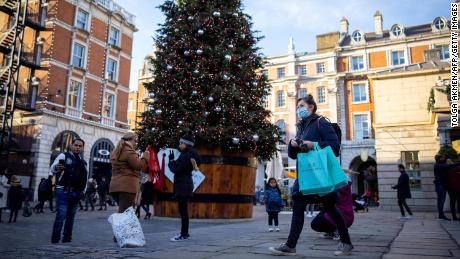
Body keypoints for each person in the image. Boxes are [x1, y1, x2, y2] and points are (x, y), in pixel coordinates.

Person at [270, 95, 353, 256]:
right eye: (297, 106)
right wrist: (293, 145)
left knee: (331, 209)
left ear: (311, 107)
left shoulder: (322, 123)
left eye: (301, 105)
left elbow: (335, 147)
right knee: (298, 207)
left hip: (321, 175)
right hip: (306, 176)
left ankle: (346, 243)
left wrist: (313, 144)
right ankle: (290, 245)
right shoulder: (301, 127)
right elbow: (293, 156)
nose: (298, 109)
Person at [109, 132, 149, 242]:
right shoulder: (128, 151)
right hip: (127, 186)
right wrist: (145, 156)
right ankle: (120, 237)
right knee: (125, 213)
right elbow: (138, 166)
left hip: (116, 186)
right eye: (135, 141)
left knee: (124, 211)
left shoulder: (116, 151)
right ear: (130, 139)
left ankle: (123, 236)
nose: (136, 144)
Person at [49, 138, 88, 243]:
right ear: (71, 145)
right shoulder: (63, 156)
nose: (78, 147)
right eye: (76, 145)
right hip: (63, 191)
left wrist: (83, 191)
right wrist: (57, 167)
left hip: (76, 193)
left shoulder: (84, 162)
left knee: (71, 217)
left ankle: (67, 239)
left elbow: (86, 178)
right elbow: (52, 168)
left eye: (80, 146)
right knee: (61, 215)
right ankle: (55, 239)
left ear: (83, 148)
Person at [168, 134, 201, 242]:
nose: (180, 145)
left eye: (181, 143)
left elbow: (177, 169)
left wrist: (171, 161)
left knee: (183, 211)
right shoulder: (188, 154)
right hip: (185, 185)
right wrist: (173, 161)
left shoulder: (186, 155)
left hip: (183, 185)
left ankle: (184, 234)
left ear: (187, 144)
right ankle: (184, 233)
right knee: (183, 211)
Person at [434, 155, 460, 220]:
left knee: (441, 201)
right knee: (441, 201)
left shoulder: (442, 165)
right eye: (442, 158)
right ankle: (441, 215)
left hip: (443, 185)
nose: (444, 158)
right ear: (438, 159)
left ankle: (441, 215)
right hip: (441, 185)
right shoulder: (439, 165)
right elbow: (449, 166)